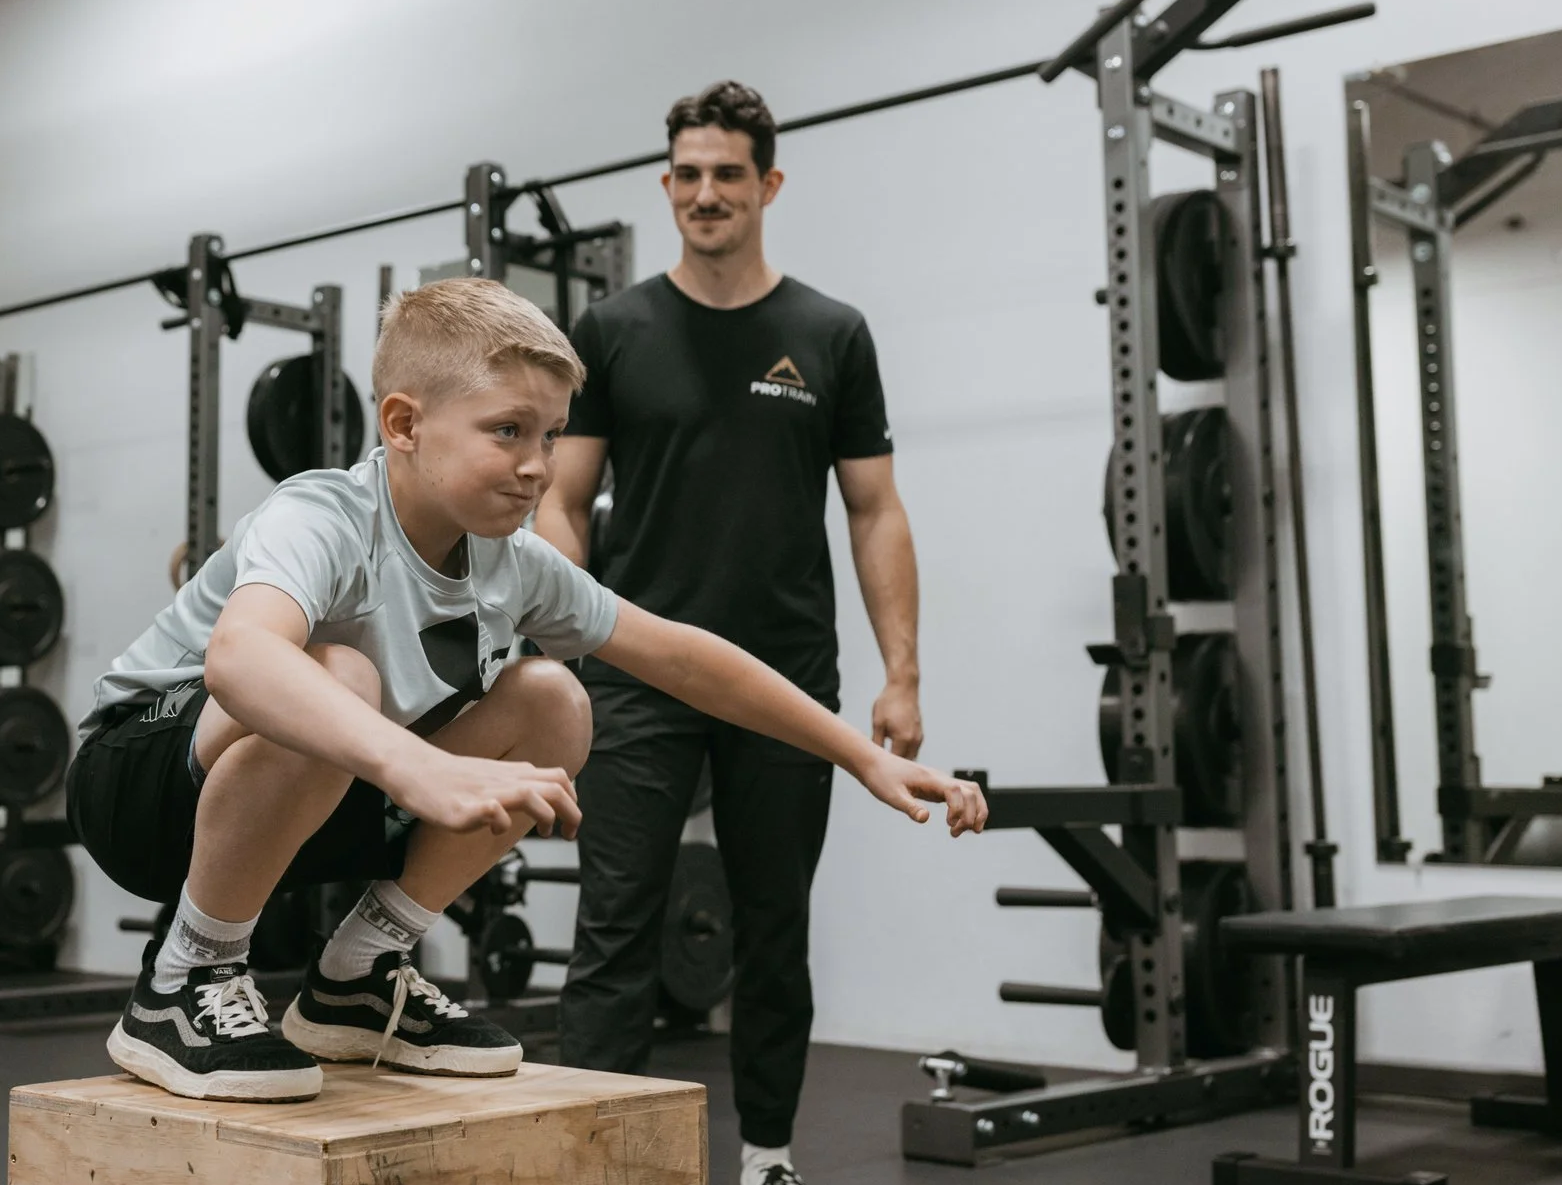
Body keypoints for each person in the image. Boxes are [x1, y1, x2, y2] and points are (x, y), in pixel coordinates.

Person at [66, 276, 981, 1105]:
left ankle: (357, 973)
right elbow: (241, 661)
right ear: (403, 423)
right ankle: (185, 977)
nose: (539, 464)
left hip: (301, 802)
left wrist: (861, 756)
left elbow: (689, 659)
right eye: (508, 431)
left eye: (551, 436)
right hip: (140, 789)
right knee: (334, 672)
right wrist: (418, 766)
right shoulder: (325, 516)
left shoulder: (514, 564)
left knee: (553, 701)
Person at [535, 80, 922, 1185]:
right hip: (641, 672)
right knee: (614, 921)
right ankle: (586, 1177)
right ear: (667, 186)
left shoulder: (829, 333)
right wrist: (573, 632)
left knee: (773, 925)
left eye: (727, 174)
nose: (706, 194)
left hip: (785, 678)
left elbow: (874, 510)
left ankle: (767, 1167)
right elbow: (559, 496)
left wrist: (899, 673)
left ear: (767, 185)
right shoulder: (612, 330)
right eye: (687, 175)